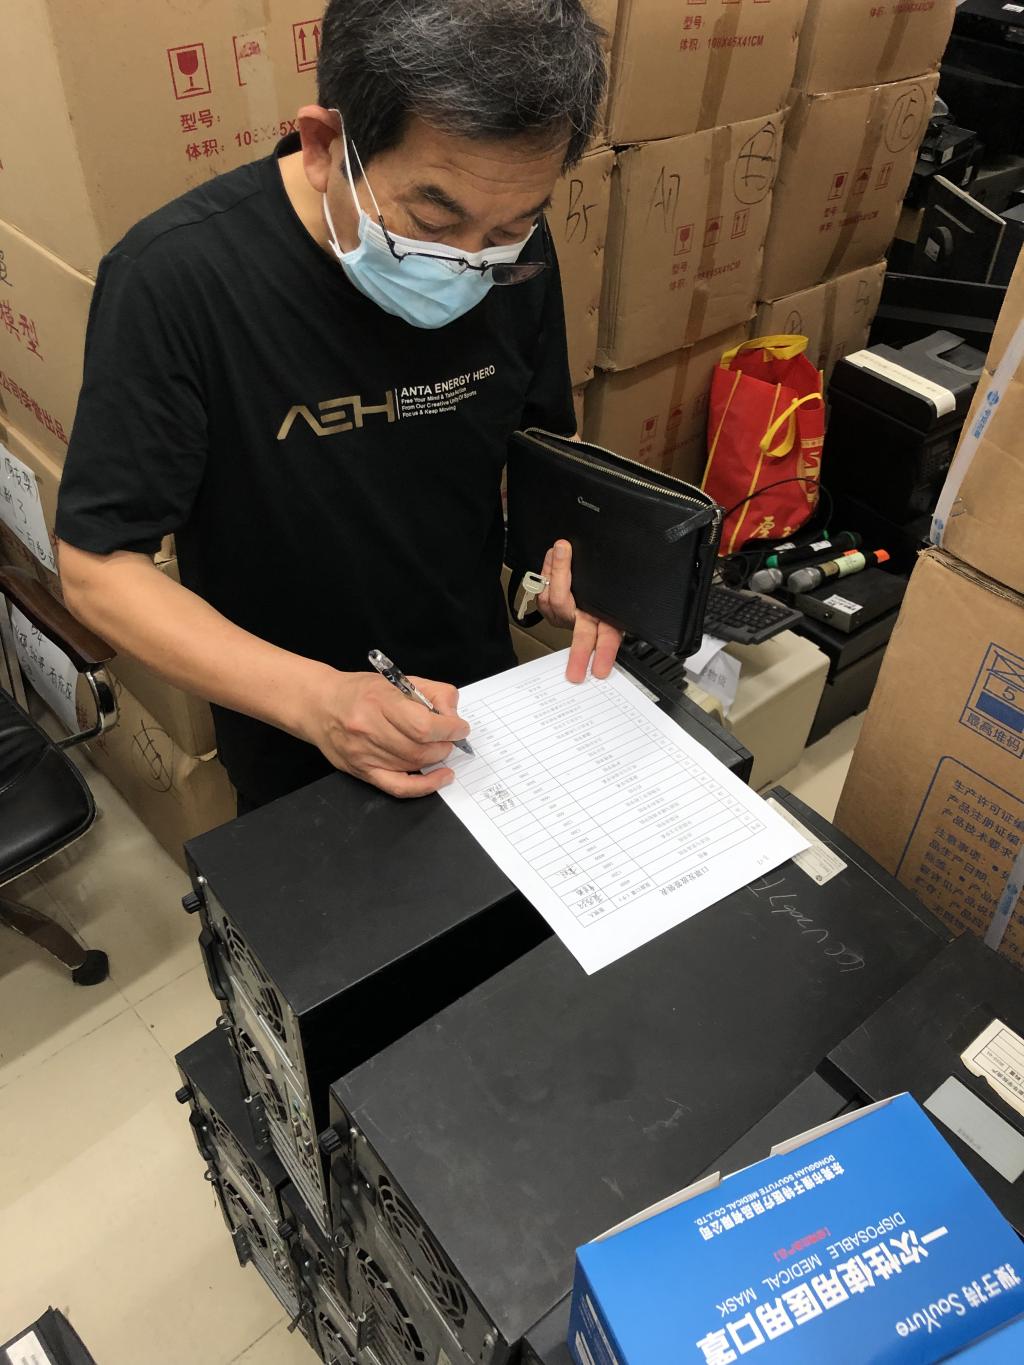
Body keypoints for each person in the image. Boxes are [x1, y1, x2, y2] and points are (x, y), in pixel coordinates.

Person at [55, 0, 622, 814]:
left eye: (510, 226)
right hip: (295, 745)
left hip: (478, 710)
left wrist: (575, 555)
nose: (468, 264)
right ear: (324, 145)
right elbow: (98, 568)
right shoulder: (176, 280)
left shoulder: (507, 251)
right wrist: (318, 701)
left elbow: (538, 442)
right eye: (433, 221)